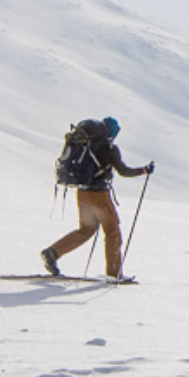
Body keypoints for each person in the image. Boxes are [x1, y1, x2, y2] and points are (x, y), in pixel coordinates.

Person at [41, 117, 154, 279]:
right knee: (112, 232)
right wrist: (144, 170)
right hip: (99, 196)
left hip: (82, 194)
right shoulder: (110, 149)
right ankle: (114, 274)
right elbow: (123, 171)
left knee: (86, 230)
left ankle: (52, 252)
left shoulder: (87, 146)